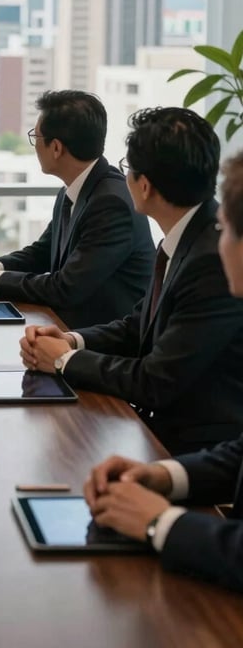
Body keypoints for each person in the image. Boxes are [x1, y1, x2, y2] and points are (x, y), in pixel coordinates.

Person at [20, 107, 243, 454]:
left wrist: (63, 360)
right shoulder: (188, 236)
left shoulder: (212, 258)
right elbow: (136, 325)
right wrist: (72, 340)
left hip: (198, 450)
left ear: (144, 185)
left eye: (127, 169)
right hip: (163, 427)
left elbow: (154, 381)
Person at [83, 150, 243, 592]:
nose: (217, 236)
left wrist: (159, 523)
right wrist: (164, 476)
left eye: (224, 227)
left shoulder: (202, 258)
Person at [0, 90, 154, 328]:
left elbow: (65, 288)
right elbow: (43, 252)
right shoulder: (77, 188)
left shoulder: (111, 203)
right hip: (68, 326)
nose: (34, 145)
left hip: (104, 342)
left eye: (35, 137)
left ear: (56, 148)